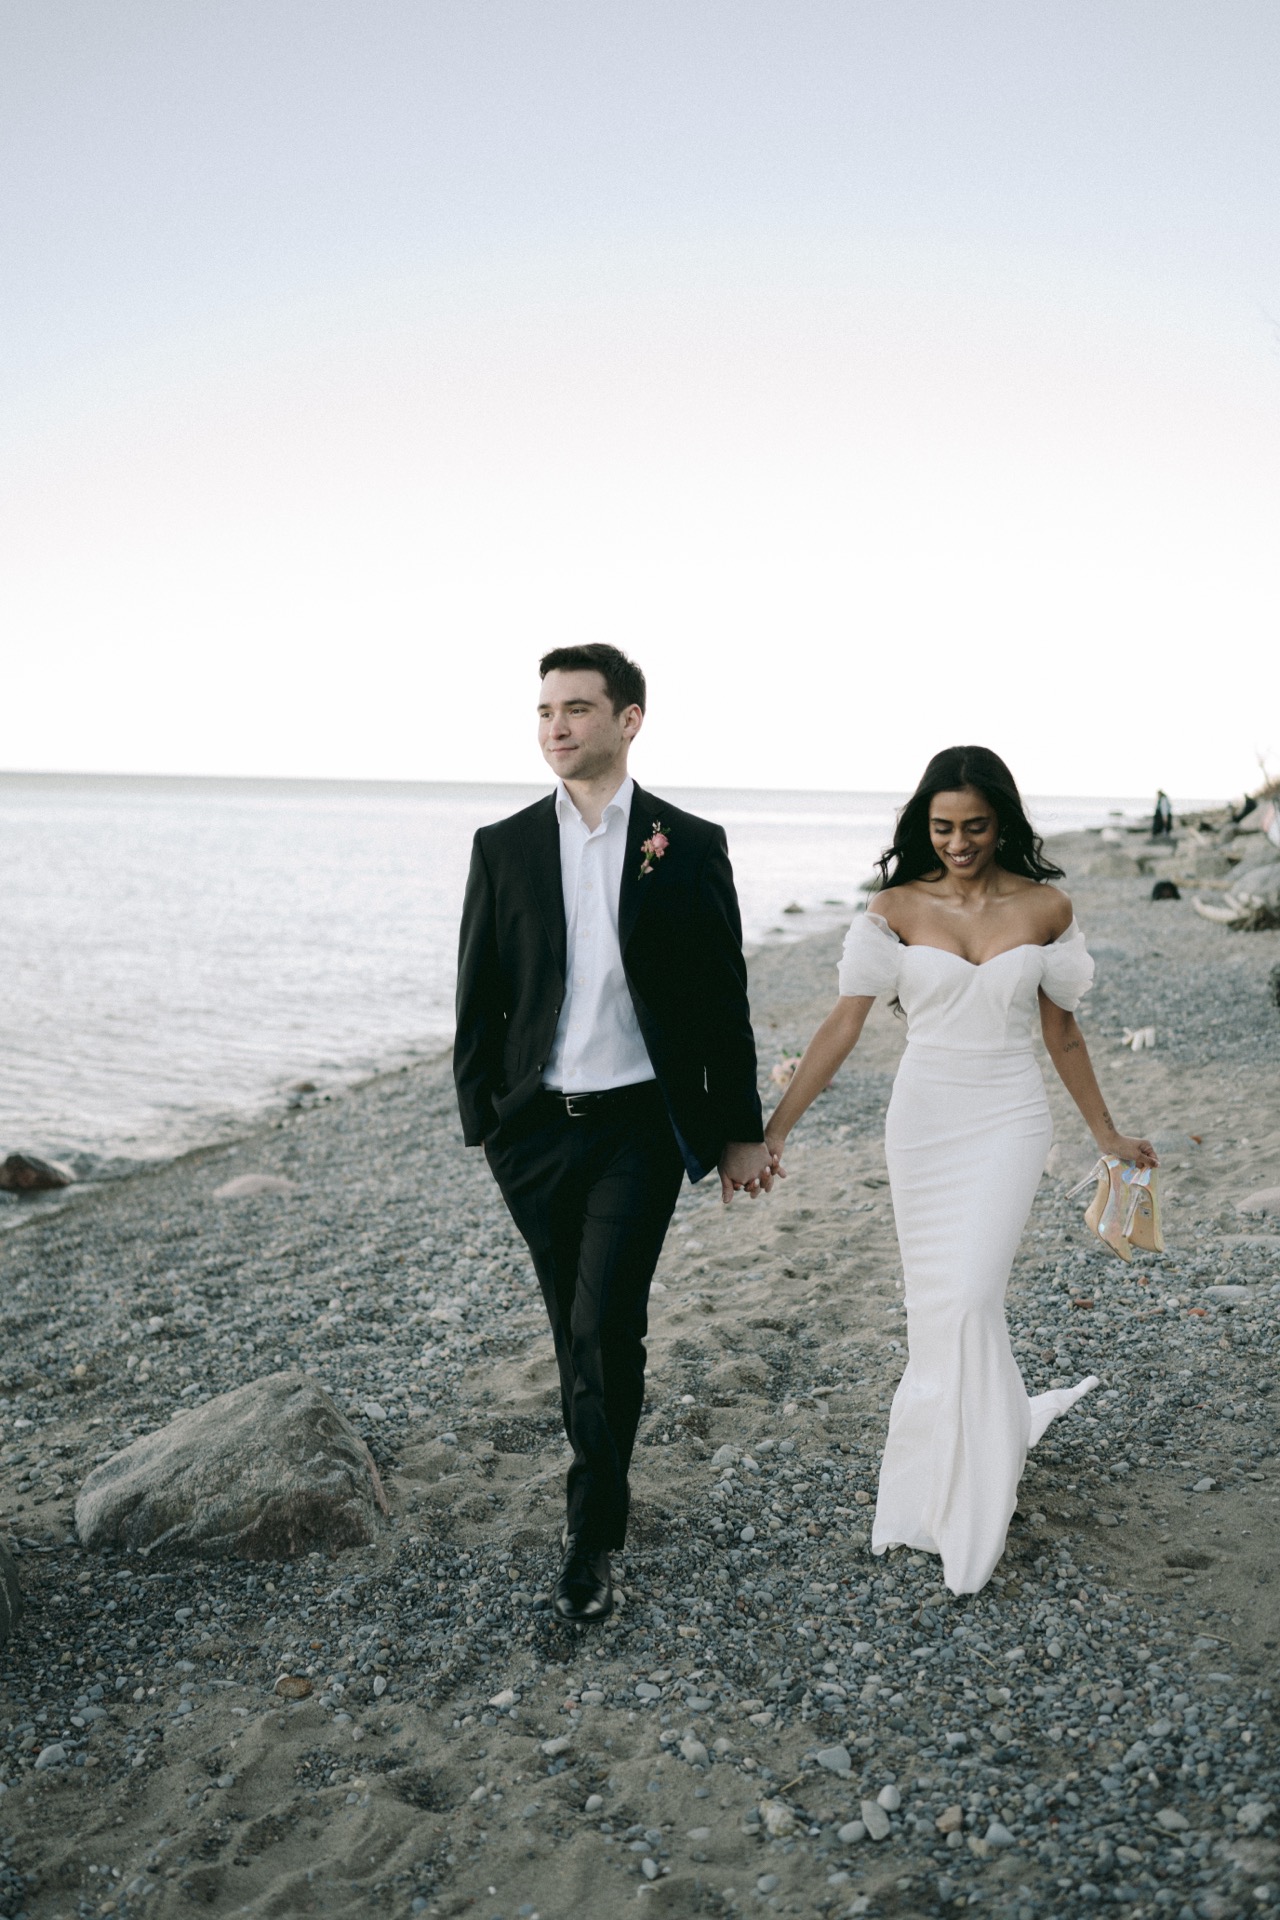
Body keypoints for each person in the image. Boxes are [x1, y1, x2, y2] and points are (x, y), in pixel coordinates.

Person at [764, 746, 1156, 1595]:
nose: (958, 842)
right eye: (942, 827)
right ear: (923, 826)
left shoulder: (1047, 907)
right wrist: (777, 1128)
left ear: (1003, 821)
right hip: (924, 1121)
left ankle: (978, 1497)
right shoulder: (896, 908)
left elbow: (1063, 1034)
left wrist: (1107, 1134)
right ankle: (928, 1489)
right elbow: (841, 1027)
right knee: (937, 1310)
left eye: (975, 826)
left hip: (1009, 1117)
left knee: (974, 1296)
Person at [454, 644, 773, 1622]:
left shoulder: (687, 841)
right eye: (544, 710)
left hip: (639, 1127)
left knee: (602, 1325)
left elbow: (723, 995)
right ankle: (600, 1465)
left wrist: (739, 1130)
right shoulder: (501, 846)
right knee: (573, 1330)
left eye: (577, 709)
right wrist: (487, 1124)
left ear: (628, 719)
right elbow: (480, 998)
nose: (556, 726)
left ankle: (592, 1536)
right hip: (537, 1134)